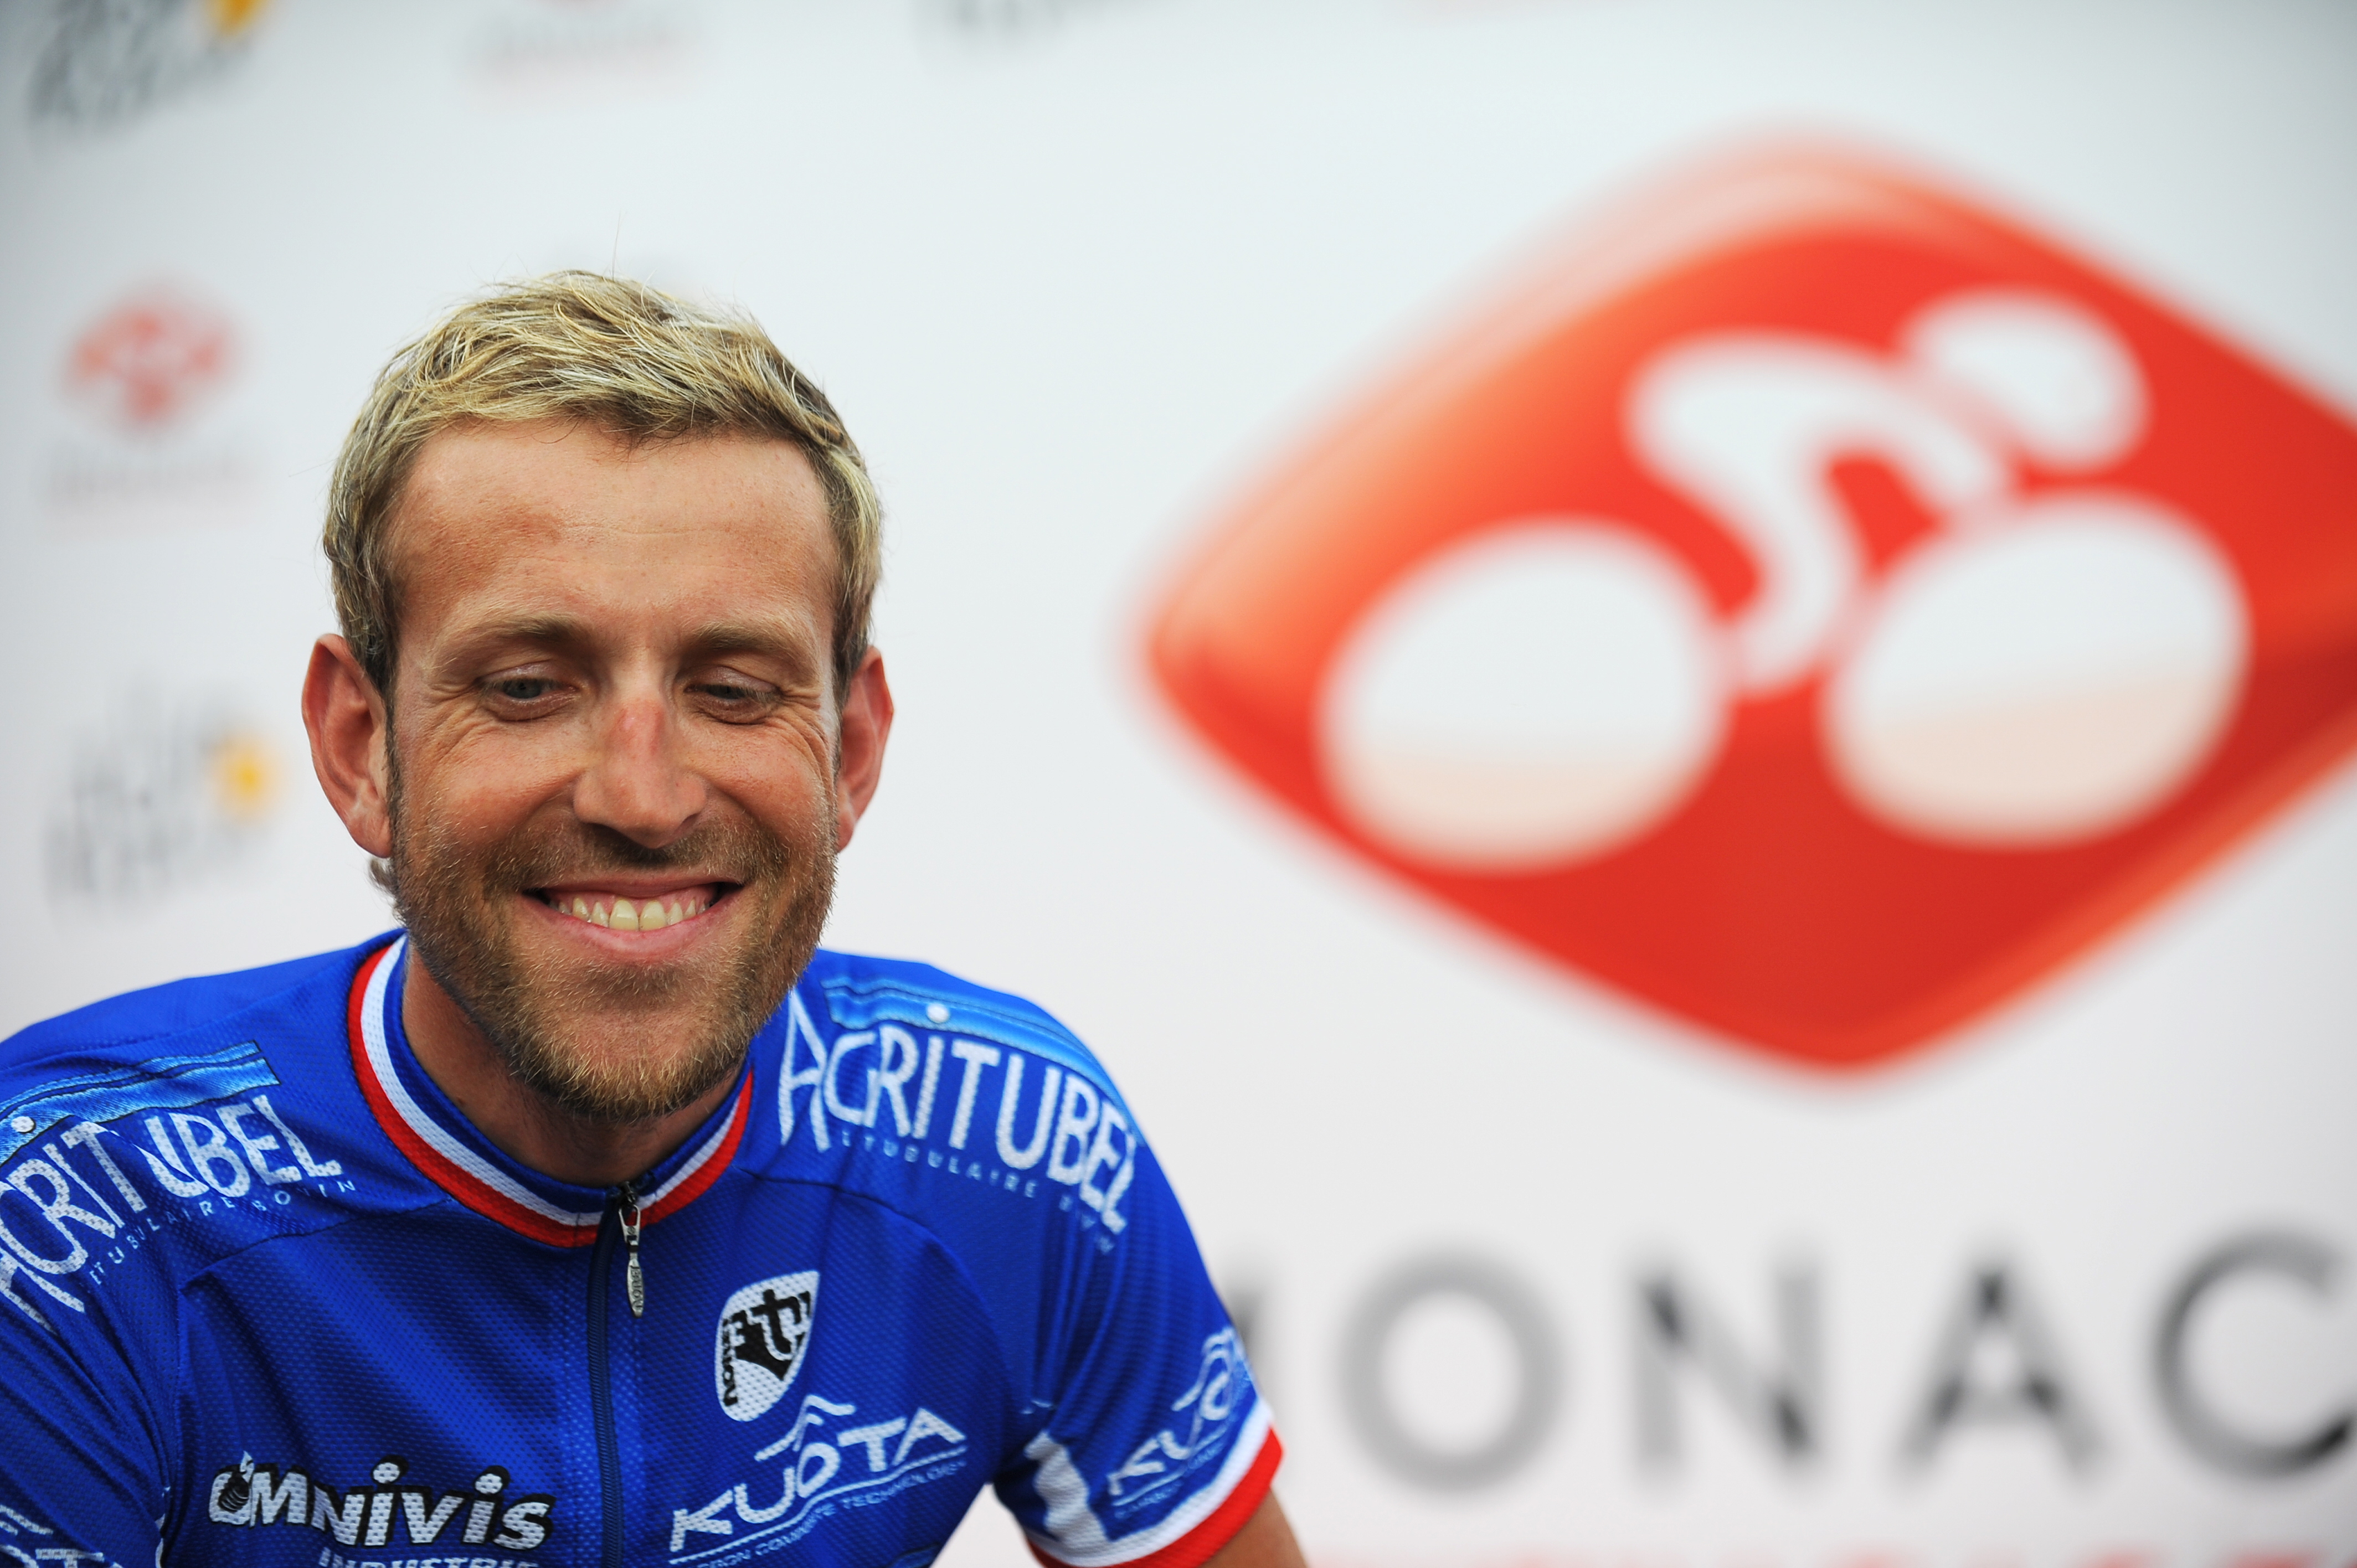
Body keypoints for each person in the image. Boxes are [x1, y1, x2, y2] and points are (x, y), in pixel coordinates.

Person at [0, 274, 1299, 1568]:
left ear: (849, 750)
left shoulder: (1008, 1146)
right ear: (361, 747)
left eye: (732, 689)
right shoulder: (67, 1215)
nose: (642, 794)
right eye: (525, 687)